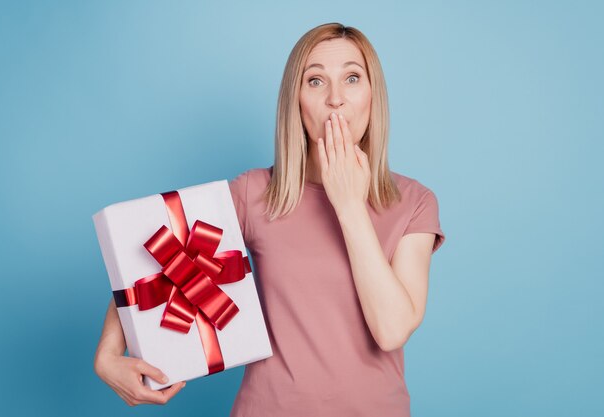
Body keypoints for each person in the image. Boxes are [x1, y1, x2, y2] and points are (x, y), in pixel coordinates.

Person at [94, 22, 445, 416]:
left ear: (372, 96)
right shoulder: (256, 193)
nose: (335, 99)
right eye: (315, 81)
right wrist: (108, 354)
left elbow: (393, 329)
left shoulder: (414, 202)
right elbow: (156, 257)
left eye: (351, 78)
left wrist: (349, 206)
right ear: (295, 100)